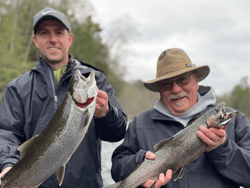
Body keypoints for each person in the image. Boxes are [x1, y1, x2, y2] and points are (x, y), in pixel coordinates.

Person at [0, 7, 127, 188]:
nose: (53, 39)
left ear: (70, 39)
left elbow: (118, 132)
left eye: (59, 32)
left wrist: (107, 113)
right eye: (45, 32)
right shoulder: (16, 88)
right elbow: (6, 134)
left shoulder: (96, 79)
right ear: (35, 40)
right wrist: (7, 165)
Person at [111, 48, 250, 188]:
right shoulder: (139, 124)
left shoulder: (235, 122)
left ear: (196, 80)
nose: (176, 89)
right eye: (167, 83)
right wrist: (143, 163)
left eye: (183, 80)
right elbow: (117, 170)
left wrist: (222, 149)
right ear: (159, 88)